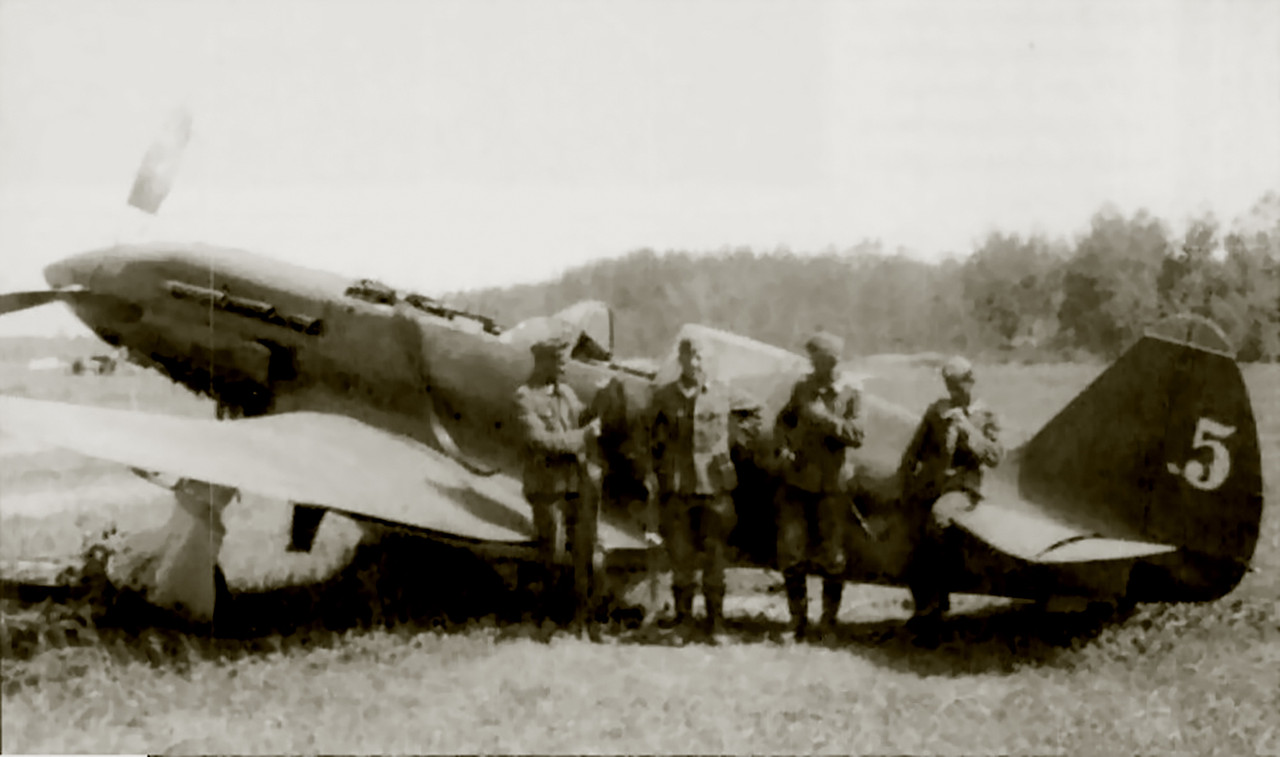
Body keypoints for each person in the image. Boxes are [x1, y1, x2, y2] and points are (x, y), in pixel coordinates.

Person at [899, 355, 1003, 636]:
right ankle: (925, 606)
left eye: (958, 385)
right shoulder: (937, 411)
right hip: (933, 485)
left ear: (970, 381)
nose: (954, 391)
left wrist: (967, 428)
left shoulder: (985, 414)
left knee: (939, 520)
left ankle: (937, 600)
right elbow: (914, 450)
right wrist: (906, 479)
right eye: (949, 385)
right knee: (910, 533)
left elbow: (994, 456)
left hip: (965, 487)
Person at [774, 331, 864, 642]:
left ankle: (829, 623)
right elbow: (783, 421)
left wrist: (823, 418)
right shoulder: (802, 387)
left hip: (831, 486)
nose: (812, 363)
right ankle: (797, 622)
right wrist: (783, 447)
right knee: (791, 552)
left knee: (834, 556)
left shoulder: (851, 392)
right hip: (798, 481)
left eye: (817, 358)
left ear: (832, 361)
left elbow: (857, 435)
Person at [512, 330, 604, 638]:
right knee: (550, 555)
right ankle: (547, 620)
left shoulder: (565, 393)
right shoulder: (525, 397)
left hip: (575, 485)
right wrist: (585, 436)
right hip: (547, 488)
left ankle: (580, 620)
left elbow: (581, 417)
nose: (564, 368)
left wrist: (602, 401)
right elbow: (542, 442)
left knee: (582, 553)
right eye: (559, 362)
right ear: (543, 361)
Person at [649, 336, 740, 644]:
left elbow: (755, 414)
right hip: (678, 488)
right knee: (681, 561)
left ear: (708, 361)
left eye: (701, 358)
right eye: (690, 358)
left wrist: (727, 446)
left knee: (715, 559)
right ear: (681, 360)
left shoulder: (722, 393)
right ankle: (684, 623)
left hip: (714, 487)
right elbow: (646, 434)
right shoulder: (665, 396)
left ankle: (716, 625)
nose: (696, 364)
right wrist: (660, 464)